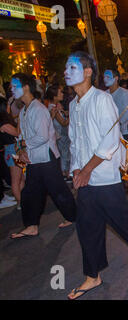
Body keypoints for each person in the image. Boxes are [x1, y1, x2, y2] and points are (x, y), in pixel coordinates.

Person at [64, 52, 128, 300]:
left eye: (71, 66)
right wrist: (76, 168)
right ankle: (92, 276)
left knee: (121, 219)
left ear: (87, 72)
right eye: (66, 67)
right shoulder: (73, 105)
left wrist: (86, 170)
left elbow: (108, 143)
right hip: (84, 178)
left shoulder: (102, 100)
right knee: (87, 226)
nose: (66, 71)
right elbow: (75, 142)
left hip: (104, 176)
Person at [9, 73, 76, 239]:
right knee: (31, 193)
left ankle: (73, 216)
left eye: (14, 86)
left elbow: (42, 137)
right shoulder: (25, 110)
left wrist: (24, 145)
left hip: (46, 158)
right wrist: (21, 151)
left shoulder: (38, 109)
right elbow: (22, 135)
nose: (11, 89)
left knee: (58, 190)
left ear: (25, 87)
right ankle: (32, 226)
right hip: (34, 159)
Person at [45, 84, 71, 181]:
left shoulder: (55, 107)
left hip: (61, 136)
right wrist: (73, 114)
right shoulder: (53, 109)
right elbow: (63, 123)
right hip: (61, 137)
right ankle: (65, 174)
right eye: (60, 92)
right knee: (64, 155)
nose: (62, 94)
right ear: (54, 96)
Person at [0, 97, 19, 209]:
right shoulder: (3, 124)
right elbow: (17, 133)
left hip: (13, 150)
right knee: (16, 179)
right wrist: (22, 120)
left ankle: (22, 200)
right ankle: (20, 203)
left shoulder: (4, 121)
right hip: (11, 151)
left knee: (20, 177)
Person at [103, 69, 128, 140]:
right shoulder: (104, 94)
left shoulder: (125, 93)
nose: (105, 79)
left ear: (116, 78)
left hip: (124, 131)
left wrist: (117, 123)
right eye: (104, 77)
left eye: (108, 77)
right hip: (109, 133)